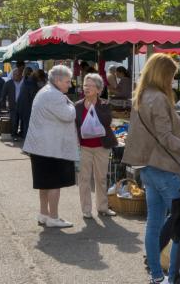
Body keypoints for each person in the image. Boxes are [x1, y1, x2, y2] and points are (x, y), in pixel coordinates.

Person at [122, 53, 180, 284]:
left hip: (148, 168)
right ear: (163, 74)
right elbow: (165, 137)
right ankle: (172, 278)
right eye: (172, 75)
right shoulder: (159, 99)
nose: (173, 80)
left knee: (154, 224)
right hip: (163, 168)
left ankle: (156, 275)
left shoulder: (141, 96)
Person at [23, 65, 78, 228]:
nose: (70, 85)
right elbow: (69, 115)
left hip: (42, 146)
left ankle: (43, 214)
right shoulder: (54, 95)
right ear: (58, 80)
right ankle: (53, 217)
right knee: (54, 183)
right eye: (67, 82)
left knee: (44, 183)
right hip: (50, 147)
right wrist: (72, 105)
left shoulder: (46, 91)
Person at [75, 73, 118, 219]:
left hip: (101, 147)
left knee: (101, 178)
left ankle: (103, 207)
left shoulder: (105, 105)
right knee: (84, 179)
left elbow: (106, 122)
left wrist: (94, 107)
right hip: (84, 147)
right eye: (85, 85)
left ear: (99, 89)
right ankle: (86, 210)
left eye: (90, 86)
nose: (86, 88)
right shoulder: (78, 106)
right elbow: (75, 126)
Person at [0, 68, 24, 140]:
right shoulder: (8, 83)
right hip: (13, 105)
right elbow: (3, 95)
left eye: (18, 75)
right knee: (14, 120)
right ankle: (14, 134)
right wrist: (3, 105)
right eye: (15, 75)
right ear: (12, 75)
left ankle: (22, 134)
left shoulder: (24, 83)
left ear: (21, 76)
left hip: (23, 105)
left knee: (23, 120)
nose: (16, 76)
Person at [17, 67, 39, 139]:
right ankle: (27, 138)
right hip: (28, 105)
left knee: (24, 121)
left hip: (21, 104)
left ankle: (24, 135)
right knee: (27, 122)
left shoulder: (24, 81)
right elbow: (33, 95)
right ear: (31, 72)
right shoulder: (31, 82)